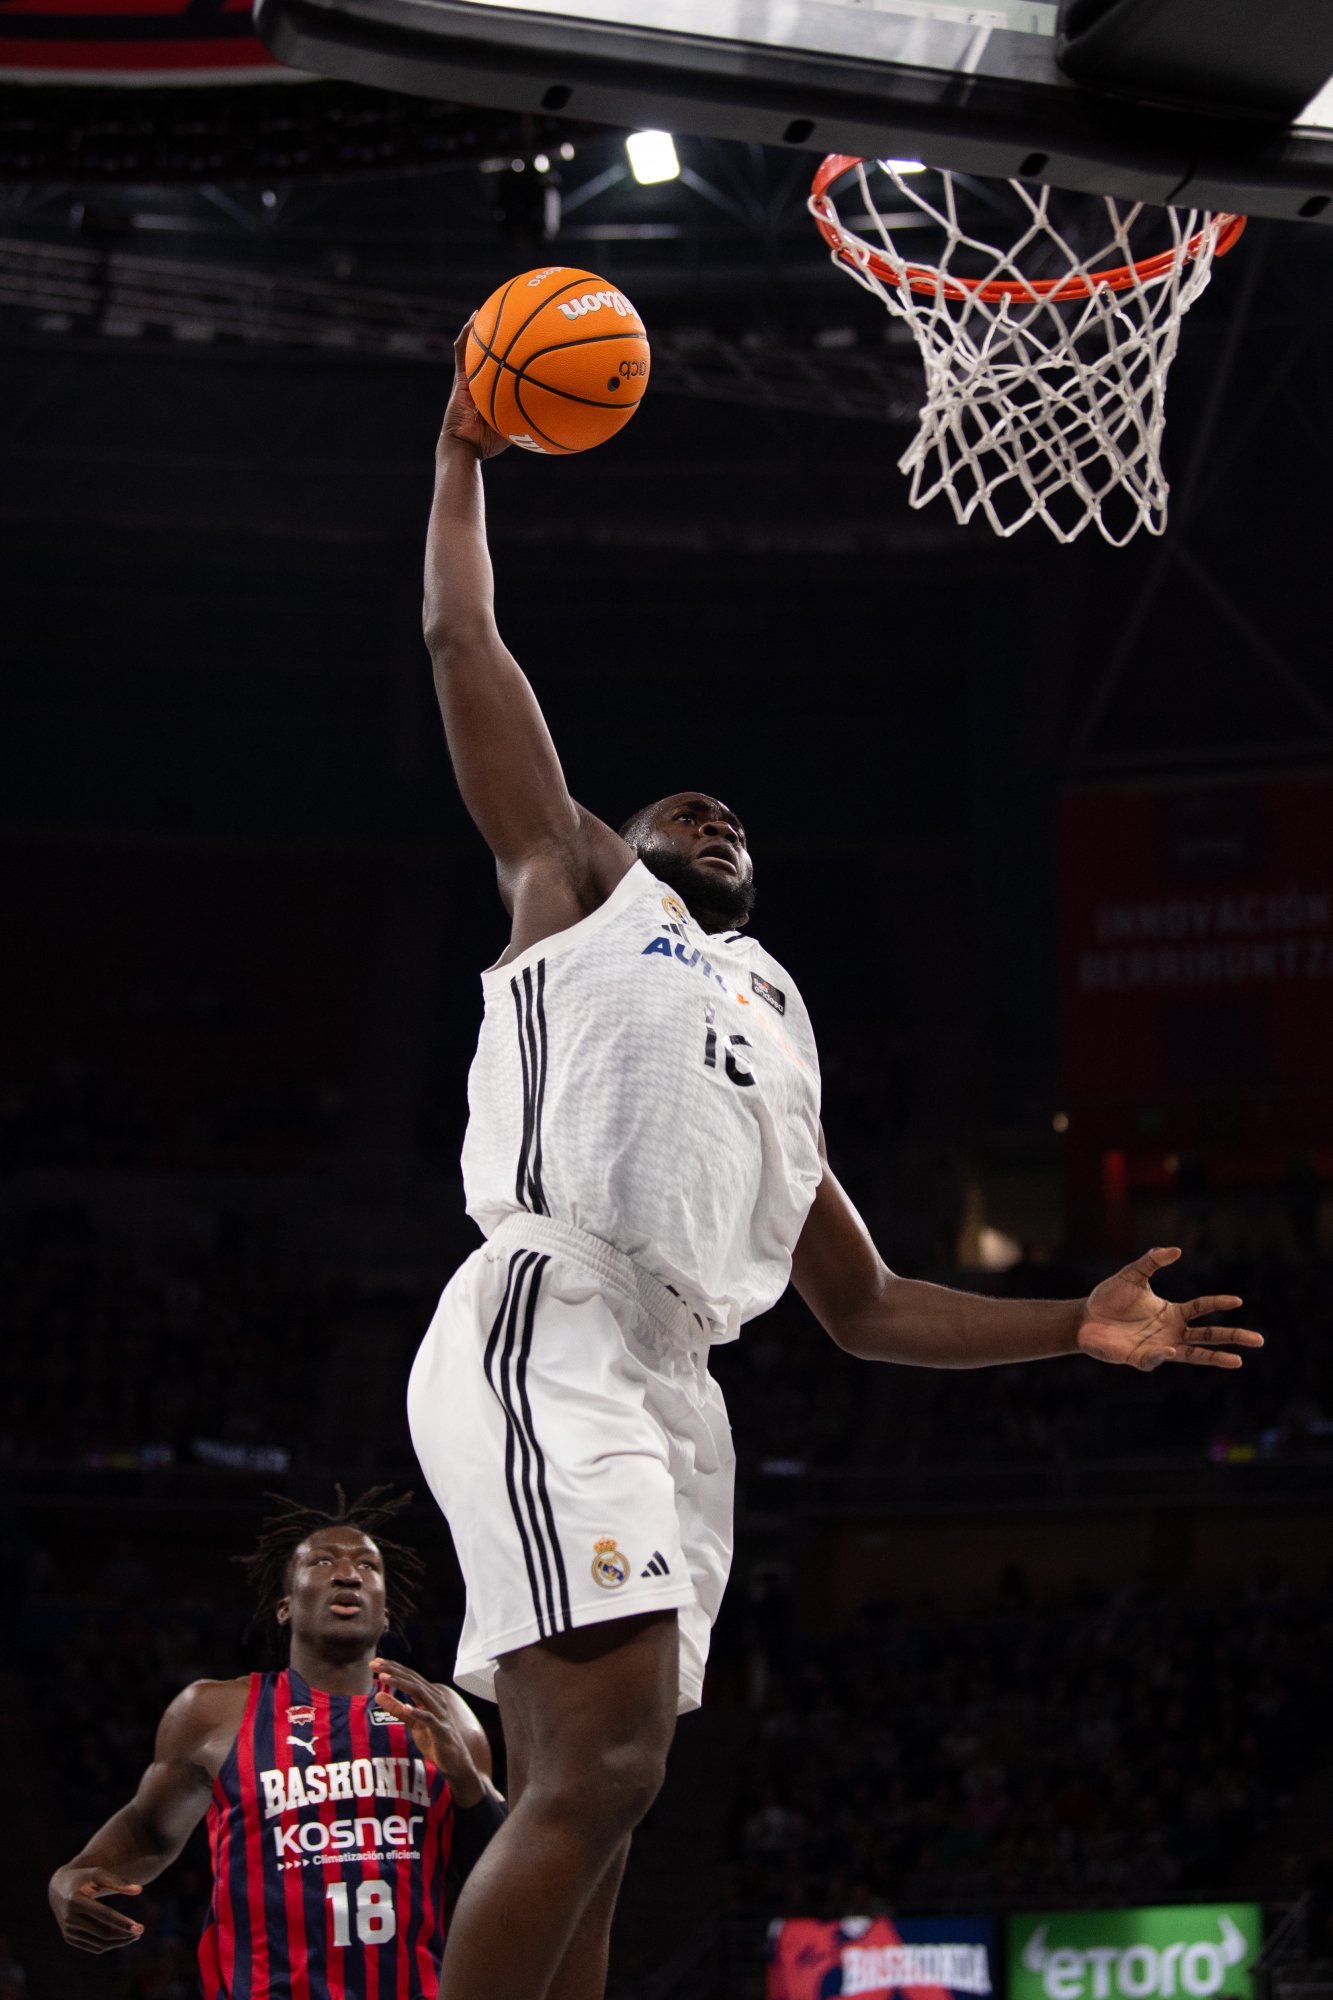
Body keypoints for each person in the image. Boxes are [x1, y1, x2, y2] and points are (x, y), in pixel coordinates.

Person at [405, 319, 1265, 2000]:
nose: (712, 810)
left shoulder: (773, 1025)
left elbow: (864, 1304)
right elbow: (461, 647)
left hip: (674, 1383)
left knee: (619, 1793)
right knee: (600, 1772)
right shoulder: (579, 893)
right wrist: (459, 459)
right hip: (551, 1317)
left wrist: (1066, 1326)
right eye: (681, 804)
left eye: (734, 816)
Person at [49, 1487, 505, 1998]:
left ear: (384, 1614)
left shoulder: (443, 1713)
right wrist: (72, 1875)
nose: (347, 1573)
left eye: (368, 1566)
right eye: (324, 1560)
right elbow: (149, 1828)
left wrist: (465, 1779)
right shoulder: (212, 1712)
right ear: (284, 1607)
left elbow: (506, 1877)